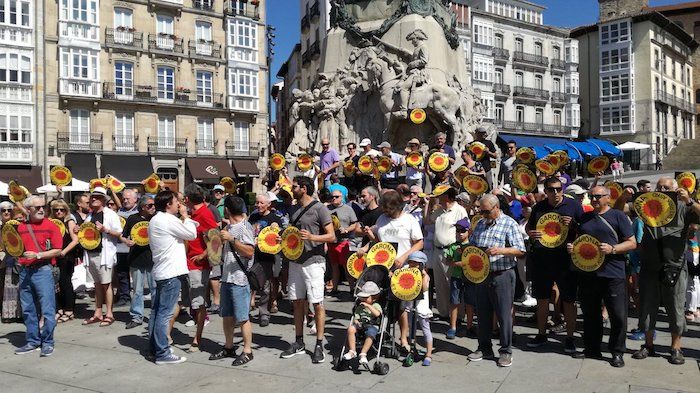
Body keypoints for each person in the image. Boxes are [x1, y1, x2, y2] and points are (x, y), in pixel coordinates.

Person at [629, 177, 700, 365]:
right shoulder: (648, 206)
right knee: (647, 308)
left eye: (666, 187)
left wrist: (689, 200)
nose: (662, 189)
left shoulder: (684, 207)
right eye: (659, 186)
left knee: (676, 308)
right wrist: (624, 197)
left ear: (676, 190)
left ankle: (676, 348)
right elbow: (622, 209)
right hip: (649, 266)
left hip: (675, 267)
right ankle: (648, 345)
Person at [568, 186, 636, 367]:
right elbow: (581, 241)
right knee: (590, 314)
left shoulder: (618, 216)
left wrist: (613, 249)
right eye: (592, 196)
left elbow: (632, 243)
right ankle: (592, 349)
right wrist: (573, 248)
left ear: (608, 197)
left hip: (613, 273)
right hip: (588, 273)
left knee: (618, 315)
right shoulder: (584, 217)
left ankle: (617, 351)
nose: (594, 199)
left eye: (598, 196)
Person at [280, 176, 336, 363]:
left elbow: (331, 236)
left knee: (317, 303)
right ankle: (298, 341)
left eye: (294, 187)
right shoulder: (294, 208)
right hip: (295, 261)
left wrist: (312, 237)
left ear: (303, 189)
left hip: (314, 261)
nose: (291, 189)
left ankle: (319, 344)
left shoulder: (320, 208)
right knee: (296, 302)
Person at [467, 194, 526, 367]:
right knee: (483, 313)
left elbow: (521, 251)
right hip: (482, 274)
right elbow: (472, 244)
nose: (482, 214)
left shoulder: (509, 223)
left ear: (496, 208)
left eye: (485, 211)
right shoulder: (480, 223)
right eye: (481, 210)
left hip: (503, 274)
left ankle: (506, 351)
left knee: (503, 314)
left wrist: (501, 250)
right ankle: (484, 347)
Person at [526, 177, 583, 353]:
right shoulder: (539, 207)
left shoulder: (573, 206)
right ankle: (542, 334)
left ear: (563, 189)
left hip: (565, 260)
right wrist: (531, 233)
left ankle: (570, 338)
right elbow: (529, 227)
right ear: (546, 191)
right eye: (551, 190)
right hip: (543, 259)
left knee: (569, 300)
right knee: (542, 299)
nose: (556, 193)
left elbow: (586, 228)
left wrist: (574, 225)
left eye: (558, 189)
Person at [364, 190, 424, 351]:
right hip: (383, 268)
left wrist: (404, 257)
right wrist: (371, 236)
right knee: (380, 303)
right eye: (385, 208)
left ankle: (403, 338)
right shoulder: (382, 219)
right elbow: (379, 242)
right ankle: (377, 334)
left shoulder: (409, 220)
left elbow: (419, 243)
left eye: (389, 209)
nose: (386, 211)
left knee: (402, 307)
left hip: (402, 268)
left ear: (398, 206)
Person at [148, 190, 197, 365]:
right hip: (170, 273)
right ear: (168, 204)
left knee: (157, 312)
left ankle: (155, 348)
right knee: (164, 314)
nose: (180, 204)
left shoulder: (155, 219)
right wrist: (186, 217)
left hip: (163, 272)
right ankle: (162, 353)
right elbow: (191, 234)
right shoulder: (167, 219)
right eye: (177, 201)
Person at [13, 195, 63, 356]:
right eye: (38, 207)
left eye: (43, 206)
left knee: (48, 310)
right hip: (25, 271)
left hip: (43, 270)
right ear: (28, 210)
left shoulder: (51, 226)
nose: (42, 209)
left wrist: (38, 255)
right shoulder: (20, 227)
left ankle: (48, 342)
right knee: (28, 309)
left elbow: (58, 250)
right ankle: (33, 341)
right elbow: (14, 247)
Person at [209, 196, 256, 366]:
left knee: (242, 317)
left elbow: (250, 252)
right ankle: (229, 347)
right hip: (227, 277)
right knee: (227, 316)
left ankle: (248, 350)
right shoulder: (228, 226)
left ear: (227, 210)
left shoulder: (245, 228)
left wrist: (231, 239)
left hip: (240, 279)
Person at [81, 187, 123, 328]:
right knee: (96, 285)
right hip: (91, 253)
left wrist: (105, 230)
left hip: (104, 254)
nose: (93, 199)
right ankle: (98, 312)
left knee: (106, 284)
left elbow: (119, 233)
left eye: (97, 197)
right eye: (92, 197)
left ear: (103, 200)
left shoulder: (110, 214)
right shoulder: (90, 215)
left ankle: (109, 313)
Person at [183, 183, 217, 352]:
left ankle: (197, 338)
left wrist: (203, 255)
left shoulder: (204, 213)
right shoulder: (194, 213)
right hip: (188, 263)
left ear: (187, 199)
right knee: (187, 301)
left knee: (199, 303)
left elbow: (216, 237)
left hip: (197, 264)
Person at [120, 196, 157, 329]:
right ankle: (136, 316)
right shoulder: (132, 218)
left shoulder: (156, 218)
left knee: (155, 289)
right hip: (136, 258)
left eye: (154, 205)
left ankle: (156, 314)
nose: (153, 207)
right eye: (150, 205)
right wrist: (127, 242)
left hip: (153, 259)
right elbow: (123, 236)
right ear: (142, 207)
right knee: (137, 290)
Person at [248, 193, 284, 327]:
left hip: (267, 257)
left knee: (266, 287)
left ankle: (264, 313)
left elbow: (280, 237)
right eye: (257, 203)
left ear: (269, 204)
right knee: (250, 283)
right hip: (252, 254)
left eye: (261, 203)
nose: (258, 205)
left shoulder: (275, 218)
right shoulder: (253, 217)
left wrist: (277, 231)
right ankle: (244, 313)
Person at [433, 188, 468, 322]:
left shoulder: (459, 210)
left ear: (447, 196)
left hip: (451, 250)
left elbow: (465, 230)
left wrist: (458, 250)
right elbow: (427, 221)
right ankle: (443, 313)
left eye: (440, 195)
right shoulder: (438, 210)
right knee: (440, 284)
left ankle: (458, 315)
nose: (437, 196)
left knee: (453, 284)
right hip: (437, 250)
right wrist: (428, 204)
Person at [443, 218, 476, 340]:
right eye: (457, 230)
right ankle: (452, 327)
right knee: (454, 302)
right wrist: (456, 263)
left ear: (469, 232)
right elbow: (447, 261)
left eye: (462, 230)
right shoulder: (453, 246)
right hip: (456, 277)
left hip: (469, 277)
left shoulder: (472, 246)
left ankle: (469, 326)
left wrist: (464, 263)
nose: (459, 233)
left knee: (470, 303)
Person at [49, 199, 79, 323]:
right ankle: (59, 309)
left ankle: (69, 310)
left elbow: (75, 240)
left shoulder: (69, 222)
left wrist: (64, 252)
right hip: (53, 257)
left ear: (66, 211)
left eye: (62, 210)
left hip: (66, 257)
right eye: (56, 210)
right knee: (56, 285)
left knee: (65, 283)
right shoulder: (51, 222)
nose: (59, 212)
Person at [342, 281, 383, 370]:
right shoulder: (359, 307)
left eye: (366, 298)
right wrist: (356, 322)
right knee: (350, 329)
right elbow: (356, 317)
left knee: (370, 334)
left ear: (374, 298)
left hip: (372, 325)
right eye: (362, 298)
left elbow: (377, 314)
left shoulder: (376, 305)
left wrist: (368, 306)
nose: (363, 300)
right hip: (361, 324)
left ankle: (363, 353)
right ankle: (352, 351)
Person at [327, 189, 358, 295]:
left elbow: (355, 224)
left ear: (342, 197)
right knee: (334, 266)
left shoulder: (348, 209)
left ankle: (352, 289)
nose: (334, 198)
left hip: (344, 241)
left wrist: (346, 230)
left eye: (336, 197)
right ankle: (334, 289)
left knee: (346, 266)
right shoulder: (327, 209)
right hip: (331, 242)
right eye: (332, 197)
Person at [115, 189, 139, 307]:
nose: (125, 201)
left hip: (136, 249)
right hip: (120, 248)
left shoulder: (140, 211)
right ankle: (125, 296)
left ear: (135, 199)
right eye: (123, 199)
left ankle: (137, 297)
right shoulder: (119, 212)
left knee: (137, 275)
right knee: (122, 274)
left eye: (127, 199)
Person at [1, 200, 22, 322]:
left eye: (9, 210)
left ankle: (20, 314)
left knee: (21, 287)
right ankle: (9, 314)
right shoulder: (2, 226)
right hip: (9, 258)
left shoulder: (18, 223)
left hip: (21, 258)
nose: (6, 212)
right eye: (3, 210)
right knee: (9, 287)